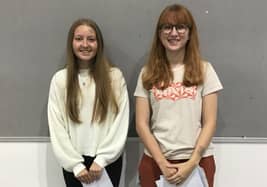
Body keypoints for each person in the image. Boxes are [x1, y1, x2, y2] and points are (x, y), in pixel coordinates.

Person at [134, 4, 223, 187]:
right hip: (156, 161)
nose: (173, 33)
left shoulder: (205, 70)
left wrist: (192, 163)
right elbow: (141, 124)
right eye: (167, 27)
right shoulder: (147, 73)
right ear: (159, 33)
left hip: (198, 160)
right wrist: (161, 162)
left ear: (190, 33)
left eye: (180, 27)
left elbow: (210, 122)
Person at [47, 18, 129, 187]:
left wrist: (102, 159)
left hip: (107, 163)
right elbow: (57, 126)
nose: (85, 44)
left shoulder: (114, 77)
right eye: (79, 39)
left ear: (99, 44)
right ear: (71, 43)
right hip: (74, 166)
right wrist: (75, 165)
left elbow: (121, 121)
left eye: (91, 39)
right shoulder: (60, 80)